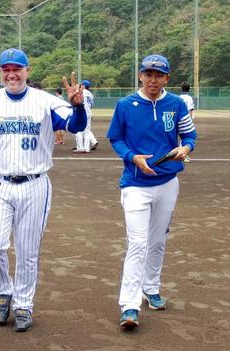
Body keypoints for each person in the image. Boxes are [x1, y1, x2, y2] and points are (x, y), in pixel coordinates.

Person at [0, 48, 87, 332]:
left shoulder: (45, 101)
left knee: (27, 250)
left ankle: (24, 303)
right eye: (5, 69)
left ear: (27, 71)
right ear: (0, 72)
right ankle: (4, 290)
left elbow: (76, 126)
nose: (11, 74)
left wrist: (78, 106)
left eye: (17, 69)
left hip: (34, 184)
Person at [107, 54, 197, 329]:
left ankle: (151, 288)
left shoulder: (177, 103)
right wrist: (132, 157)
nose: (153, 80)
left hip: (168, 183)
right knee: (137, 243)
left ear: (166, 78)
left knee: (157, 241)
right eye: (148, 74)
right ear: (140, 76)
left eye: (159, 75)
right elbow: (116, 138)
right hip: (135, 184)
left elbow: (189, 135)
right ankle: (130, 306)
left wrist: (186, 149)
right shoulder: (125, 105)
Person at [73, 80, 98, 153]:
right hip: (89, 113)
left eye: (81, 85)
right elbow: (91, 106)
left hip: (81, 112)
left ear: (83, 85)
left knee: (78, 130)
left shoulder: (81, 92)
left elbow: (77, 102)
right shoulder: (90, 94)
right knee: (87, 131)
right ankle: (87, 148)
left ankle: (80, 148)